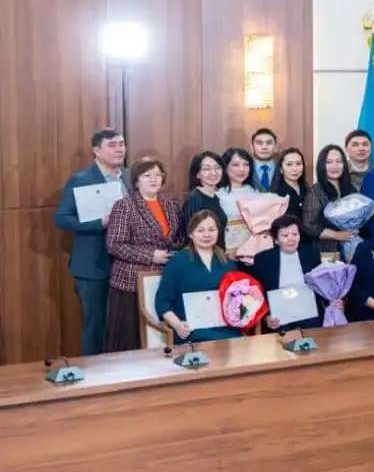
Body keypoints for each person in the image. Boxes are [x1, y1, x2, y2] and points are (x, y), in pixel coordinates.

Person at [54, 128, 127, 355]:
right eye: (112, 145)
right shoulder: (80, 180)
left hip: (125, 264)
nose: (119, 149)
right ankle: (94, 372)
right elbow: (62, 218)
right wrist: (98, 223)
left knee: (123, 326)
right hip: (93, 266)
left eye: (121, 144)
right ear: (96, 151)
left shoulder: (129, 176)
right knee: (96, 326)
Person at [105, 158, 182, 352]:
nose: (154, 179)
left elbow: (179, 237)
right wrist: (150, 256)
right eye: (147, 175)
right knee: (130, 339)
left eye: (158, 175)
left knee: (160, 338)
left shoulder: (171, 203)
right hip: (131, 282)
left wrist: (174, 252)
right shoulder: (125, 205)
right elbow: (114, 245)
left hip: (164, 277)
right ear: (136, 181)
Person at [155, 210, 241, 344]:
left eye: (211, 229)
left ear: (218, 232)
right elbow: (162, 302)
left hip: (227, 329)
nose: (206, 235)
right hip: (192, 331)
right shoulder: (178, 262)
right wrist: (177, 325)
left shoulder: (228, 263)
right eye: (200, 230)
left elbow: (237, 298)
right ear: (191, 234)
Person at [250, 215, 326, 331]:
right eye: (285, 235)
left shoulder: (310, 253)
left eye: (295, 234)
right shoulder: (263, 259)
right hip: (279, 316)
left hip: (309, 312)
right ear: (276, 240)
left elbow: (321, 284)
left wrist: (332, 302)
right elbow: (257, 293)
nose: (291, 239)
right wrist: (266, 317)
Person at [301, 145, 356, 259]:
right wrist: (336, 235)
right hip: (326, 250)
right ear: (322, 165)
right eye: (329, 162)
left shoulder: (351, 188)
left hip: (351, 246)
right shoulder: (316, 191)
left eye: (339, 161)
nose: (334, 166)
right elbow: (308, 225)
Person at [180, 151, 227, 250]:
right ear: (197, 174)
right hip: (202, 256)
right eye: (206, 169)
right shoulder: (194, 199)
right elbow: (190, 236)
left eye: (217, 168)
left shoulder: (216, 196)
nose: (213, 173)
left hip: (218, 254)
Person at [216, 147, 257, 252]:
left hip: (253, 250)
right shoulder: (218, 194)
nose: (242, 169)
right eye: (236, 165)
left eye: (246, 164)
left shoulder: (254, 191)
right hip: (227, 251)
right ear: (225, 167)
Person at [270, 147, 308, 221]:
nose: (295, 169)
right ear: (281, 169)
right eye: (289, 164)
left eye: (298, 164)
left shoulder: (306, 188)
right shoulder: (277, 194)